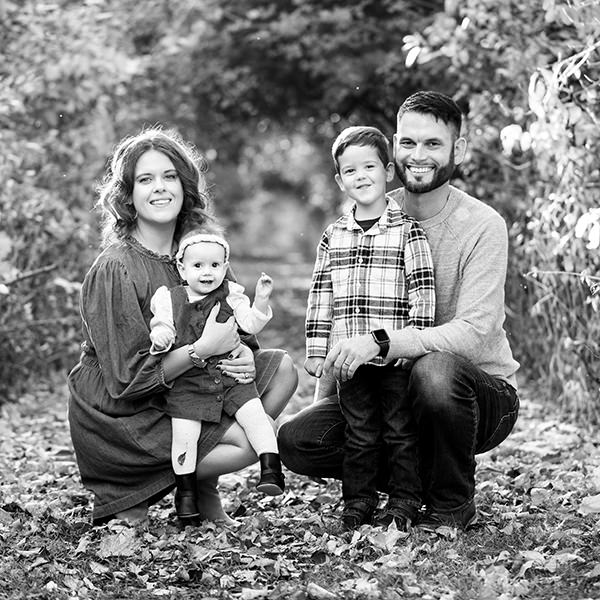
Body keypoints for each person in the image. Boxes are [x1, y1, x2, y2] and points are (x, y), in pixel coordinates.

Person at [279, 90, 520, 532]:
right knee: (299, 439)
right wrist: (333, 386)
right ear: (394, 147)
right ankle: (410, 486)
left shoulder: (482, 225)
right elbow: (344, 305)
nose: (419, 155)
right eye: (408, 143)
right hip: (380, 389)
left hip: (473, 398)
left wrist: (383, 343)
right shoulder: (369, 211)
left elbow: (475, 331)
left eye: (433, 144)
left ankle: (450, 504)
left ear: (458, 150)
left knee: (435, 371)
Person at [67, 126, 297, 525]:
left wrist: (241, 353)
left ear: (185, 185)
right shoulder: (116, 267)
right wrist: (201, 351)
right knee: (247, 444)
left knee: (284, 372)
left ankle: (198, 486)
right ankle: (142, 487)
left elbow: (235, 323)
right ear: (128, 194)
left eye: (169, 176)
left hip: (190, 388)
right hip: (123, 413)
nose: (160, 188)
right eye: (145, 179)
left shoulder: (200, 251)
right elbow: (125, 381)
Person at [304, 126, 435, 530]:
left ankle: (404, 500)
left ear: (389, 171)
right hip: (349, 362)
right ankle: (357, 501)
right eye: (350, 170)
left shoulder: (407, 231)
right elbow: (320, 293)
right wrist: (315, 349)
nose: (361, 176)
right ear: (340, 181)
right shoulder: (334, 235)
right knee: (359, 433)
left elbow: (423, 292)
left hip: (393, 361)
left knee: (400, 431)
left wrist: (413, 345)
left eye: (369, 167)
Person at [149, 226, 285, 520]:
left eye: (214, 265)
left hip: (229, 376)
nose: (207, 272)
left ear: (225, 268)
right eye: (198, 266)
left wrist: (261, 300)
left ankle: (271, 468)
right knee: (184, 436)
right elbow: (163, 326)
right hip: (190, 383)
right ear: (182, 269)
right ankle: (185, 497)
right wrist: (160, 337)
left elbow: (249, 324)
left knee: (256, 416)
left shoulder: (231, 295)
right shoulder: (169, 299)